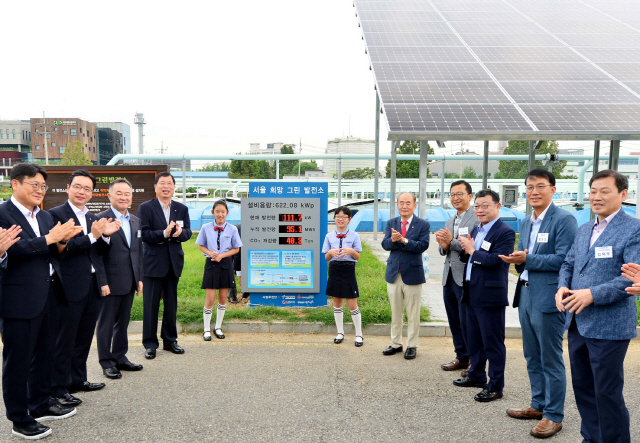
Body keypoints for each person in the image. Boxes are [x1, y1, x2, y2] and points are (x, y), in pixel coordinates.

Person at [0, 163, 84, 440]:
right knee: (18, 361)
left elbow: (53, 252)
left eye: (43, 186)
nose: (40, 190)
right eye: (34, 185)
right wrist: (50, 239)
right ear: (15, 183)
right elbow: (13, 250)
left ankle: (39, 405)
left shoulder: (46, 216)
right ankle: (19, 419)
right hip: (18, 298)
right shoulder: (3, 213)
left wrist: (62, 242)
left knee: (45, 354)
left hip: (50, 294)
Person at [556, 169, 640, 443]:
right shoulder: (584, 229)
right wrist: (562, 286)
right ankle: (591, 437)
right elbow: (569, 263)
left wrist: (592, 293)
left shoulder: (633, 228)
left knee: (606, 391)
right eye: (593, 191)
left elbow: (630, 276)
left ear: (623, 194)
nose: (597, 197)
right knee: (583, 387)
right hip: (578, 321)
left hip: (609, 323)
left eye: (605, 191)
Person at [499, 169, 577, 439]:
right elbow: (527, 256)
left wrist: (527, 260)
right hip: (527, 293)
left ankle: (554, 415)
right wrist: (519, 260)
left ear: (553, 189)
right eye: (530, 187)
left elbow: (565, 260)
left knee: (550, 358)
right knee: (532, 355)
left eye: (540, 186)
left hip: (550, 296)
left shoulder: (564, 219)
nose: (534, 191)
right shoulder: (526, 221)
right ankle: (538, 404)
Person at [48, 170, 120, 404]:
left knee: (83, 337)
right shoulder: (56, 215)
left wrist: (105, 237)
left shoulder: (91, 217)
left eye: (87, 189)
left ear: (92, 193)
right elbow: (62, 249)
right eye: (78, 186)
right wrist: (92, 236)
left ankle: (77, 379)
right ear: (68, 188)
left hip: (92, 285)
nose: (82, 192)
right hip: (68, 286)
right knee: (64, 339)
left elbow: (97, 253)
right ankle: (58, 389)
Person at [453, 189, 515, 403]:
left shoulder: (504, 231)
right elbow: (468, 258)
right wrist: (465, 250)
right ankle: (476, 374)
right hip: (471, 290)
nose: (480, 210)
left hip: (490, 294)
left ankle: (495, 385)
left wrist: (472, 251)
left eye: (485, 205)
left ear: (498, 206)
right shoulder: (476, 229)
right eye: (477, 206)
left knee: (492, 342)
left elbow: (497, 260)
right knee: (474, 338)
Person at [138, 171, 192, 358]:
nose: (166, 187)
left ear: (174, 187)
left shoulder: (181, 208)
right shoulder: (146, 208)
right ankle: (150, 344)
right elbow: (144, 234)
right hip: (153, 264)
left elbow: (188, 232)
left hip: (173, 263)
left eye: (169, 183)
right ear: (155, 187)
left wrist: (179, 233)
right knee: (151, 305)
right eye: (162, 183)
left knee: (171, 305)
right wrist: (164, 233)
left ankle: (170, 341)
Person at [95, 178, 144, 380]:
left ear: (131, 197)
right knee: (106, 324)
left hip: (129, 280)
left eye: (127, 194)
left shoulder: (135, 220)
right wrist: (102, 281)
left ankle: (120, 356)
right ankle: (106, 362)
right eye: (119, 193)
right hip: (109, 283)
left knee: (122, 323)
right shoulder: (99, 219)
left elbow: (137, 252)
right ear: (109, 196)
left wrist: (139, 278)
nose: (124, 197)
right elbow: (95, 254)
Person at [381, 192, 430, 359]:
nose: (404, 206)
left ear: (414, 206)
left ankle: (412, 345)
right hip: (394, 273)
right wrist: (394, 240)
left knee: (413, 312)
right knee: (395, 312)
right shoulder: (391, 223)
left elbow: (422, 246)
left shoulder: (422, 224)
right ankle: (395, 343)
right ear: (397, 205)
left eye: (408, 203)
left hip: (413, 274)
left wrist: (405, 241)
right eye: (401, 202)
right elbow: (385, 245)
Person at [435, 180, 477, 374]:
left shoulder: (476, 218)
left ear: (470, 196)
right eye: (452, 195)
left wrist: (450, 242)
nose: (455, 198)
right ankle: (461, 357)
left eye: (459, 194)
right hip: (449, 277)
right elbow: (444, 247)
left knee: (467, 320)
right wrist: (443, 246)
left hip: (466, 278)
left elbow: (470, 246)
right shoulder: (449, 220)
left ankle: (474, 361)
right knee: (454, 319)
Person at [196, 200, 241, 340]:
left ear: (227, 213)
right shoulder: (205, 227)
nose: (220, 214)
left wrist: (222, 255)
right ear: (213, 213)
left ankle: (218, 327)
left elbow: (236, 248)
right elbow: (201, 245)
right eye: (217, 211)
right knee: (210, 299)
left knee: (222, 299)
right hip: (211, 264)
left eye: (223, 212)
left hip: (226, 264)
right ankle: (206, 329)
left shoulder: (233, 229)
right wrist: (211, 254)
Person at [322, 206, 364, 347]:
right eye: (338, 217)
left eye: (344, 217)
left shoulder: (354, 235)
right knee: (337, 302)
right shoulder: (329, 236)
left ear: (349, 219)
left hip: (348, 269)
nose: (341, 219)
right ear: (334, 219)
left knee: (352, 304)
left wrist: (351, 250)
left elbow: (357, 255)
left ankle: (359, 334)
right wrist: (331, 252)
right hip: (334, 269)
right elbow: (326, 257)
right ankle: (340, 333)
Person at [232, 223, 249, 301]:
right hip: (239, 256)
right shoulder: (237, 228)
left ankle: (248, 293)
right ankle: (244, 292)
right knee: (240, 274)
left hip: (255, 257)